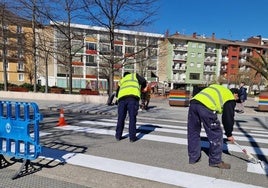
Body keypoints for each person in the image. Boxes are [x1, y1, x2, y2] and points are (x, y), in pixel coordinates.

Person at [187, 84, 239, 169]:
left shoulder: (218, 88)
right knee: (216, 134)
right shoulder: (230, 97)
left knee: (193, 132)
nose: (235, 102)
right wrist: (229, 134)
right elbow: (228, 117)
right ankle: (215, 161)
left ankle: (193, 157)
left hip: (193, 103)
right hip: (206, 106)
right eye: (237, 99)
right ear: (235, 94)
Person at [115, 72, 146, 142]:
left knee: (121, 118)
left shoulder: (122, 80)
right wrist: (142, 88)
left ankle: (118, 136)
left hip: (121, 100)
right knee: (132, 117)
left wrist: (117, 100)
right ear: (129, 74)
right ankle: (132, 138)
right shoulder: (134, 75)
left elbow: (117, 93)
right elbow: (143, 81)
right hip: (132, 98)